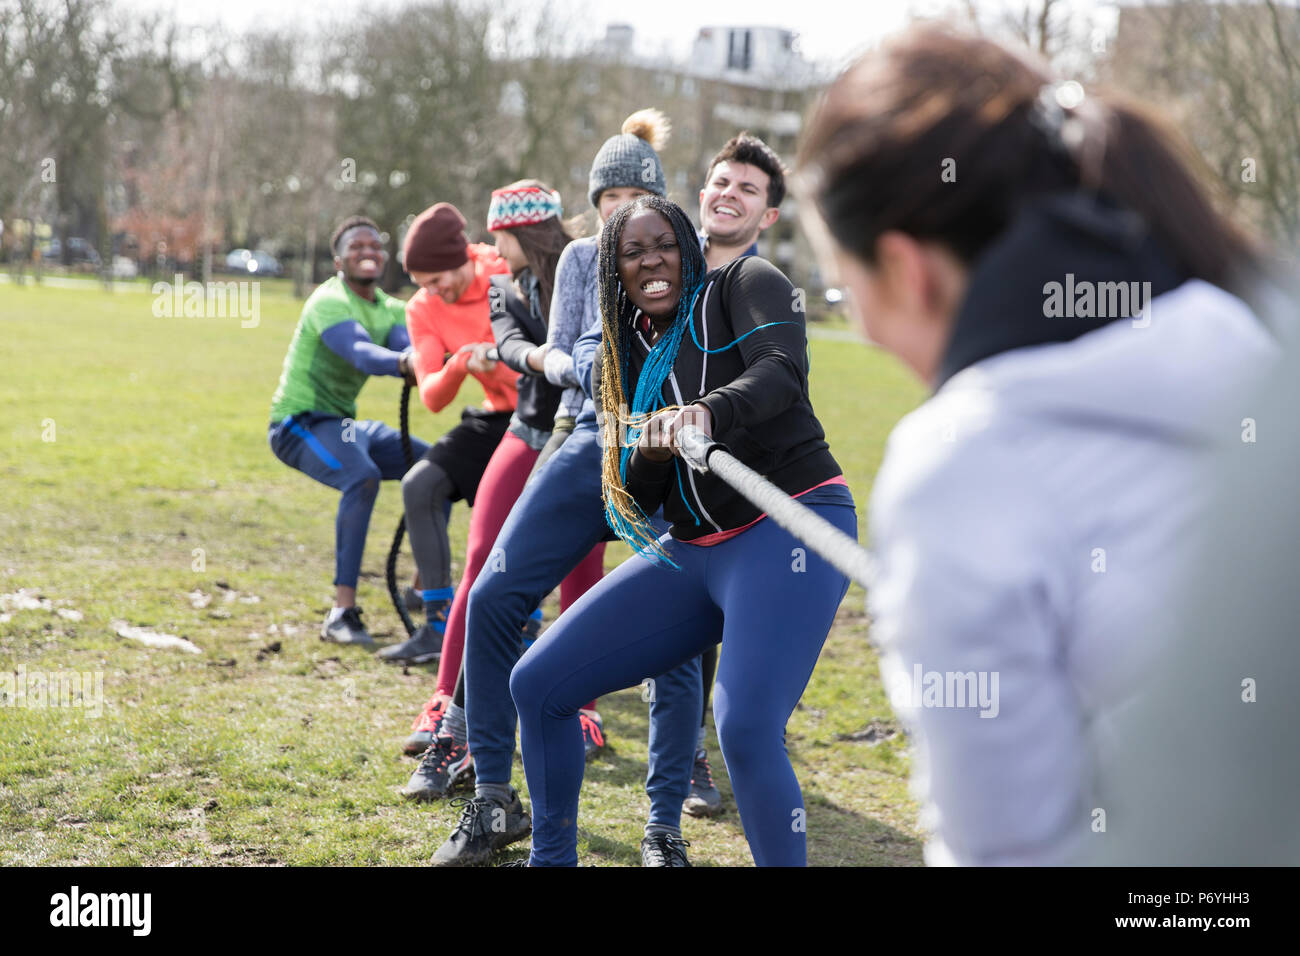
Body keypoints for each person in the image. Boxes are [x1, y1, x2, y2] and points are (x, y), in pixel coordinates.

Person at [794, 25, 1281, 865]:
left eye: (849, 283)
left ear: (909, 269)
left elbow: (1006, 850)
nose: (863, 327)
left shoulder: (963, 467)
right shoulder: (1264, 339)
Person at [509, 195, 857, 867]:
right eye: (631, 253)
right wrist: (650, 450)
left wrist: (704, 413)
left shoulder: (745, 286)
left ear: (688, 247)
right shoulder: (627, 353)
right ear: (616, 271)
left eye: (662, 244)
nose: (651, 261)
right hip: (695, 551)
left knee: (748, 730)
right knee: (539, 686)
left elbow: (780, 375)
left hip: (790, 525)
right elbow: (639, 498)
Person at [433, 110, 706, 868]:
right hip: (589, 440)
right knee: (492, 595)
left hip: (666, 452)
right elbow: (572, 353)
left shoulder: (690, 257)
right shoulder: (585, 258)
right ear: (592, 204)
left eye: (634, 194)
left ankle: (664, 825)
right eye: (608, 197)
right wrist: (577, 391)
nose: (621, 210)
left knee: (675, 639)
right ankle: (493, 799)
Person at [398, 180, 606, 799]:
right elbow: (511, 343)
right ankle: (446, 706)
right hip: (529, 427)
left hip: (584, 434)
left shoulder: (587, 267)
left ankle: (586, 708)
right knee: (484, 561)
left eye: (499, 235)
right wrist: (543, 358)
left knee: (583, 570)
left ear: (525, 232)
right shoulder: (504, 284)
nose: (492, 246)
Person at [268, 216, 428, 645]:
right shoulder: (329, 300)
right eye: (356, 246)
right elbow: (358, 351)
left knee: (435, 466)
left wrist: (419, 357)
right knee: (362, 476)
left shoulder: (389, 307)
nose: (367, 251)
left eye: (374, 245)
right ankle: (341, 613)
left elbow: (404, 344)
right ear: (339, 259)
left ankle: (422, 589)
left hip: (343, 425)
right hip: (298, 423)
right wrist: (405, 365)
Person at [377, 203, 516, 666]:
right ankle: (438, 623)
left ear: (465, 258)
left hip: (545, 415)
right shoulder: (424, 309)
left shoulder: (505, 269)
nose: (435, 292)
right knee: (421, 483)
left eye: (439, 280)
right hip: (496, 415)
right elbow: (432, 396)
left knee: (507, 517)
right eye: (423, 285)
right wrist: (460, 363)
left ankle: (521, 625)